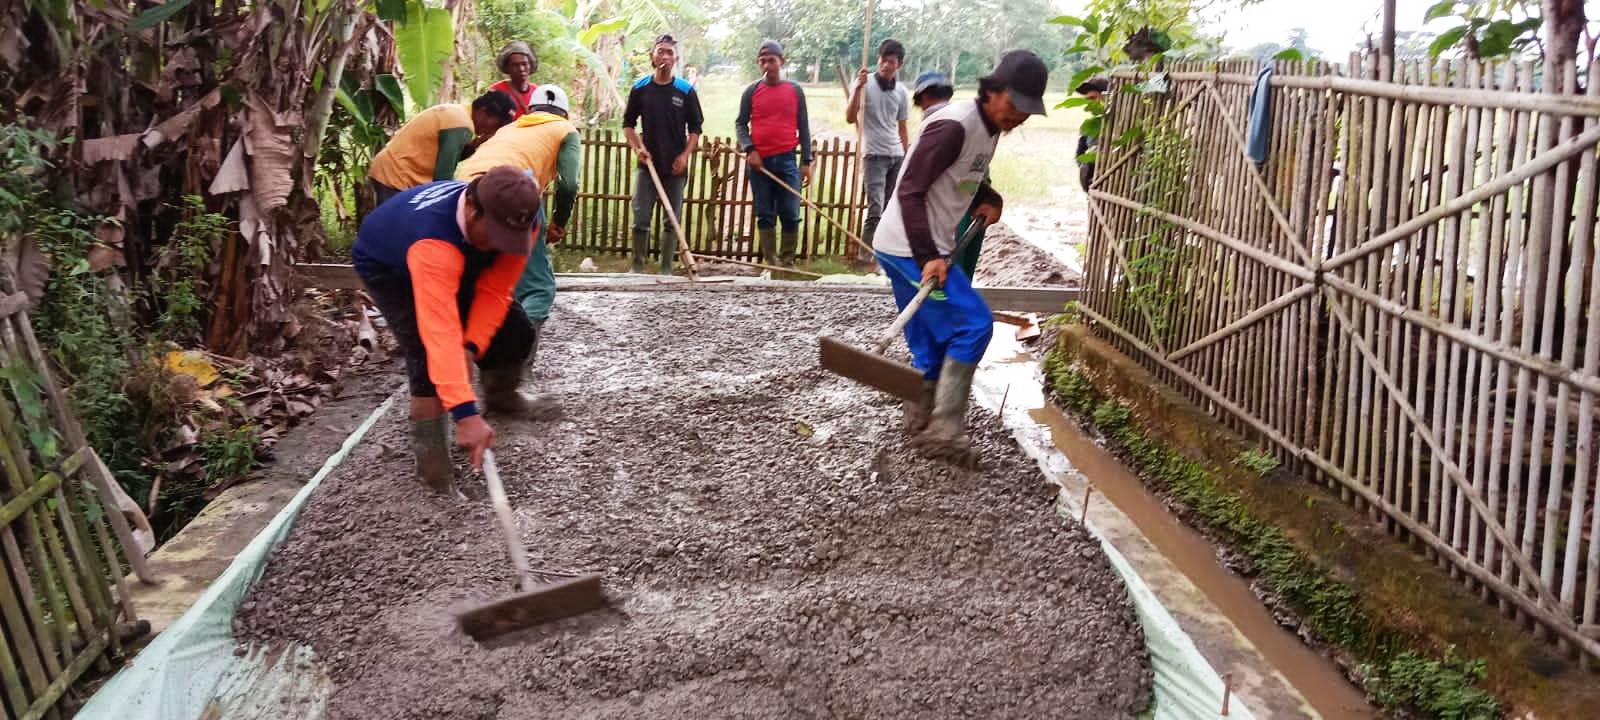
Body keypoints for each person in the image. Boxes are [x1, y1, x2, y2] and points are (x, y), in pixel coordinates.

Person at [873, 49, 1048, 466]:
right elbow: (910, 188)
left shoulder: (987, 128)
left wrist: (988, 197)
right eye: (1015, 104)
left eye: (1027, 110)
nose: (1019, 116)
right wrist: (929, 255)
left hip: (907, 242)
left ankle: (918, 418)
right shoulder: (954, 125)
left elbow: (962, 178)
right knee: (973, 324)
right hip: (908, 246)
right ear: (993, 91)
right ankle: (946, 430)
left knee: (931, 336)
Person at [352, 167, 549, 491]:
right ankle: (434, 474)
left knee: (515, 331)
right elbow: (440, 335)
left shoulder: (522, 220)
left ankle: (501, 398)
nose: (503, 246)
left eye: (509, 240)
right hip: (389, 265)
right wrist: (465, 413)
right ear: (471, 208)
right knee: (428, 365)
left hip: (459, 252)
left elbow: (496, 290)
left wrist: (470, 346)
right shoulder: (433, 246)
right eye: (496, 236)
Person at [457, 85, 581, 375]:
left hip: (463, 192)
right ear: (564, 112)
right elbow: (569, 184)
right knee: (537, 287)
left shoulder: (511, 128)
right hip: (511, 187)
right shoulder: (565, 129)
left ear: (531, 111)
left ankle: (471, 359)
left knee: (486, 278)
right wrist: (559, 223)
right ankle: (516, 370)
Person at [623, 34, 704, 275]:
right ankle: (637, 267)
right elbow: (628, 124)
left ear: (676, 59)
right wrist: (637, 147)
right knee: (640, 217)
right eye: (660, 51)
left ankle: (666, 269)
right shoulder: (640, 89)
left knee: (671, 220)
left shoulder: (685, 90)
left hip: (675, 167)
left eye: (669, 52)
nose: (665, 56)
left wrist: (685, 156)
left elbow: (696, 129)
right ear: (652, 57)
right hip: (648, 165)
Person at [735, 40, 813, 266]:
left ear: (782, 61)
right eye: (763, 60)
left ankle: (787, 262)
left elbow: (804, 126)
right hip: (760, 163)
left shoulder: (795, 91)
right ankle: (770, 261)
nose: (767, 65)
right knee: (765, 213)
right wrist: (750, 149)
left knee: (790, 212)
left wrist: (807, 160)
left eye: (772, 60)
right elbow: (741, 124)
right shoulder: (751, 91)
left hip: (788, 160)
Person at [368, 92, 517, 206]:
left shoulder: (459, 113)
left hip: (394, 173)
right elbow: (443, 177)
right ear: (483, 111)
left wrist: (476, 144)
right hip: (395, 177)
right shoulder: (461, 124)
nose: (493, 130)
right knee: (395, 234)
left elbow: (449, 156)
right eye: (496, 124)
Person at [909, 70, 986, 279]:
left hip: (952, 208)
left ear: (921, 98)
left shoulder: (937, 123)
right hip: (975, 200)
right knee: (961, 271)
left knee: (947, 273)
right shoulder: (965, 118)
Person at [845, 39, 910, 266]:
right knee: (874, 209)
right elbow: (850, 117)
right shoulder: (865, 83)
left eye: (890, 62)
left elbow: (902, 127)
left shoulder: (901, 92)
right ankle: (865, 257)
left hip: (896, 155)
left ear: (898, 65)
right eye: (882, 60)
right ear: (878, 60)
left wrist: (907, 155)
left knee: (889, 209)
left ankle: (882, 257)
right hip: (873, 155)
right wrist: (856, 89)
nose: (885, 65)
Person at [1074, 78, 1108, 190]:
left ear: (1107, 96)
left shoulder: (1122, 122)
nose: (1090, 104)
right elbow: (1079, 156)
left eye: (1093, 98)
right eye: (1088, 100)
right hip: (1093, 186)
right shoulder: (1089, 126)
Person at [491, 41, 539, 118]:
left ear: (530, 65)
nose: (521, 68)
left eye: (524, 63)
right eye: (515, 65)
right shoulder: (496, 91)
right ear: (507, 68)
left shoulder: (537, 92)